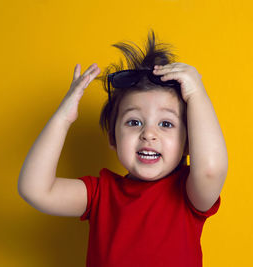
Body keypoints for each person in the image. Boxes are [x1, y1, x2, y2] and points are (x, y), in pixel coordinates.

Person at [18, 30, 228, 267]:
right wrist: (62, 119)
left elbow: (211, 169)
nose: (148, 134)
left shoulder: (188, 193)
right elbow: (35, 189)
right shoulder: (100, 194)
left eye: (166, 124)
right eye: (134, 122)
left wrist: (196, 93)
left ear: (189, 144)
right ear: (112, 137)